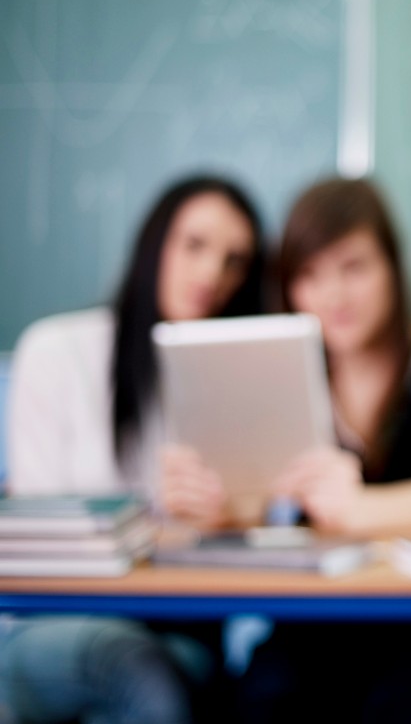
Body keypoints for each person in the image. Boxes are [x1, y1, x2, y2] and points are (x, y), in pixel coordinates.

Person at [216, 176, 411, 723]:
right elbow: (254, 505)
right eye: (309, 276)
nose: (333, 297)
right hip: (312, 626)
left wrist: (363, 508)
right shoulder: (279, 382)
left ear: (393, 266)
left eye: (354, 268)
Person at [3, 173, 266, 723]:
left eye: (234, 260)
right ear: (155, 243)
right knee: (135, 668)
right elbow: (42, 545)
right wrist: (161, 526)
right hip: (48, 629)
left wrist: (226, 517)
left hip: (174, 631)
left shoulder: (230, 380)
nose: (210, 274)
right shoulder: (57, 351)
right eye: (193, 245)